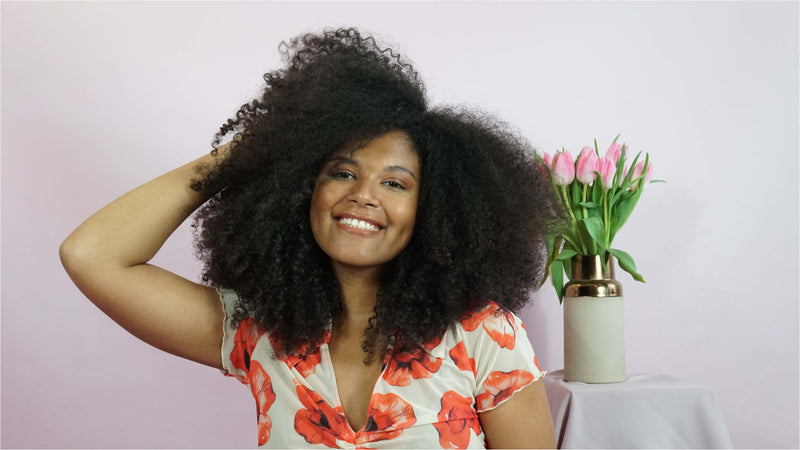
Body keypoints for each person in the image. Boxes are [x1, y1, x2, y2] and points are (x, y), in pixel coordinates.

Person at [59, 27, 562, 449]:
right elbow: (91, 256)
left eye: (394, 183)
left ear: (436, 210)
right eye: (342, 173)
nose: (363, 195)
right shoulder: (259, 334)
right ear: (302, 189)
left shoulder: (483, 336)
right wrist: (246, 153)